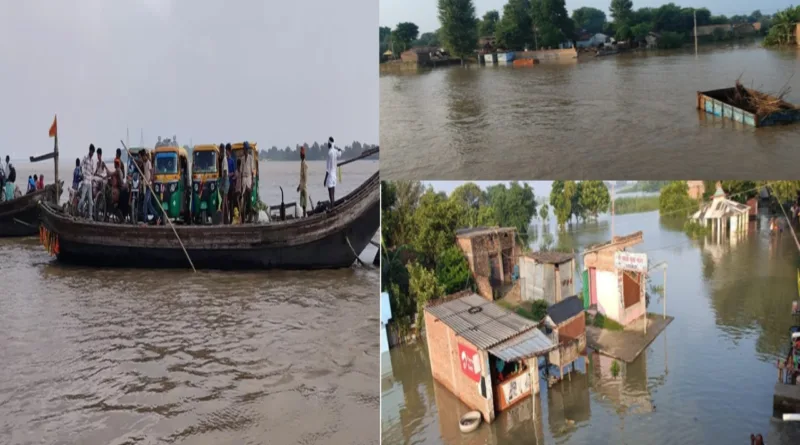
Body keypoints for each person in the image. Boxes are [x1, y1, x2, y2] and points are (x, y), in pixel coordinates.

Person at [323, 136, 342, 210]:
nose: (327, 145)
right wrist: (339, 149)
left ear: (330, 144)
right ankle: (333, 207)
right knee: (333, 193)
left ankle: (332, 208)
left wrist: (325, 179)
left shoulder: (329, 153)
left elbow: (327, 169)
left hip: (330, 176)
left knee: (330, 194)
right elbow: (340, 153)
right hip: (334, 176)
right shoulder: (335, 151)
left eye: (328, 143)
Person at [78, 144, 96, 219]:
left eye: (93, 152)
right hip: (85, 181)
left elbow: (92, 171)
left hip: (89, 182)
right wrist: (81, 174)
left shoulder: (92, 161)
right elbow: (80, 166)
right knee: (82, 198)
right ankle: (78, 209)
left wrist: (93, 177)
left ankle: (90, 216)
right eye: (92, 152)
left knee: (90, 200)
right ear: (90, 150)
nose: (92, 154)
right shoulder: (85, 158)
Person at [142, 150, 160, 224]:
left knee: (145, 202)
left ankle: (145, 219)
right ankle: (157, 216)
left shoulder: (149, 163)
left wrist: (150, 180)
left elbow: (152, 172)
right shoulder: (144, 163)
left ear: (145, 156)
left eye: (143, 156)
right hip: (146, 185)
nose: (143, 158)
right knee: (149, 204)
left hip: (149, 185)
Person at [240, 141, 254, 223]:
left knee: (249, 200)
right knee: (243, 200)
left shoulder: (251, 158)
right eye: (245, 149)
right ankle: (243, 218)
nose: (246, 150)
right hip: (244, 179)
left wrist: (252, 184)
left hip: (249, 179)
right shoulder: (242, 159)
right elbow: (241, 172)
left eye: (247, 149)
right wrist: (242, 185)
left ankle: (250, 218)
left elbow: (252, 172)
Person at [226, 143, 236, 224]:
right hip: (226, 184)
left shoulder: (232, 161)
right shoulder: (225, 160)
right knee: (226, 202)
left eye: (227, 151)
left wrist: (230, 174)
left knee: (231, 202)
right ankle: (226, 218)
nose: (226, 152)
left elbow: (234, 173)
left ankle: (231, 219)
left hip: (231, 184)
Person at [219, 143, 229, 223]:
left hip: (225, 180)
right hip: (224, 180)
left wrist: (223, 183)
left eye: (221, 149)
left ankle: (222, 220)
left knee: (223, 201)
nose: (220, 151)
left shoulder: (224, 159)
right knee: (224, 202)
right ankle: (227, 219)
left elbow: (225, 172)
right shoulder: (222, 158)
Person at [297, 144, 308, 217]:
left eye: (301, 154)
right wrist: (299, 185)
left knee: (304, 202)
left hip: (304, 186)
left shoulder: (304, 164)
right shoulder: (302, 163)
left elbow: (305, 176)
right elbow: (302, 177)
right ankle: (304, 215)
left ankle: (304, 216)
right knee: (303, 202)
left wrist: (301, 186)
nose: (300, 156)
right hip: (302, 185)